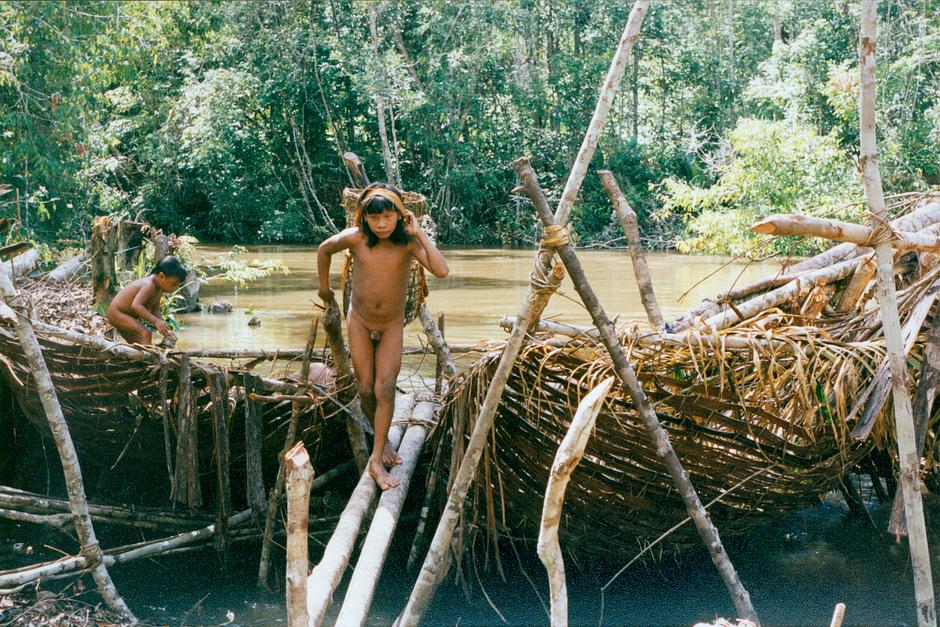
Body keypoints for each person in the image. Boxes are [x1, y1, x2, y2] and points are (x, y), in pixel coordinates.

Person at [317, 183, 449, 490]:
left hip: (391, 324)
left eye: (388, 217)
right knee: (365, 387)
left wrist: (419, 234)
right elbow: (324, 249)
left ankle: (376, 459)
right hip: (360, 321)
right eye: (375, 219)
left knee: (385, 387)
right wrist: (324, 287)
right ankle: (384, 445)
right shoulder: (357, 239)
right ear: (364, 218)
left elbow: (441, 270)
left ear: (400, 217)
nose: (381, 224)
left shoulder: (407, 244)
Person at [107, 255, 188, 345]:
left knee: (138, 343)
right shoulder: (149, 285)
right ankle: (147, 359)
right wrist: (155, 321)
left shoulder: (158, 289)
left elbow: (155, 309)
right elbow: (136, 306)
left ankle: (139, 357)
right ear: (161, 277)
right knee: (146, 333)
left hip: (126, 316)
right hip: (118, 313)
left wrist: (163, 326)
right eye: (174, 284)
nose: (175, 288)